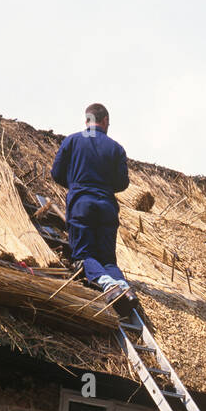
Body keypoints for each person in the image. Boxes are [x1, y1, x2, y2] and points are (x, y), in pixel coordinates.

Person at [51, 104, 134, 307]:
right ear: (104, 120)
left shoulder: (72, 141)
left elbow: (56, 173)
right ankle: (125, 288)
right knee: (107, 259)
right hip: (107, 207)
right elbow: (122, 183)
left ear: (86, 120)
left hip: (81, 205)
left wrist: (76, 185)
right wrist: (104, 188)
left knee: (83, 255)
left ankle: (109, 285)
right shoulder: (116, 148)